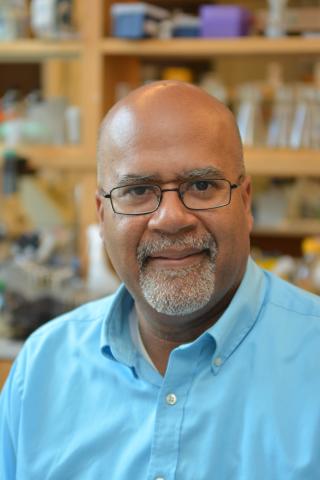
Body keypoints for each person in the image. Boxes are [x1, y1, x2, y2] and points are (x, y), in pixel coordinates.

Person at [1, 81, 320, 479]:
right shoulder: (41, 370)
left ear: (245, 201)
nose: (170, 218)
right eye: (137, 190)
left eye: (202, 185)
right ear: (102, 216)